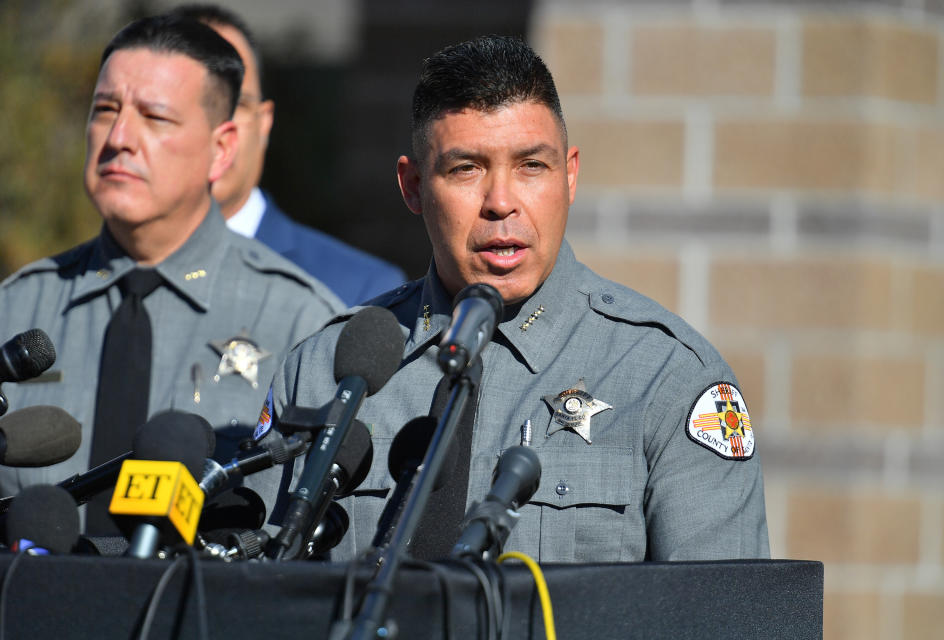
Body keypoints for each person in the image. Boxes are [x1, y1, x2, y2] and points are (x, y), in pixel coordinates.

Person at [259, 35, 769, 562]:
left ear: (569, 175)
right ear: (412, 186)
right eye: (466, 169)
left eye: (531, 166)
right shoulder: (327, 372)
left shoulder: (666, 378)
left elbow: (721, 611)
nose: (501, 203)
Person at [0, 15, 342, 524]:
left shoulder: (300, 323)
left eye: (154, 117)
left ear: (221, 150)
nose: (119, 137)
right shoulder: (13, 313)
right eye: (105, 110)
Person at [168, 4, 407, 307]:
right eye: (180, 110)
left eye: (233, 105)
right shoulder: (100, 274)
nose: (214, 130)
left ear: (264, 122)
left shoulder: (359, 290)